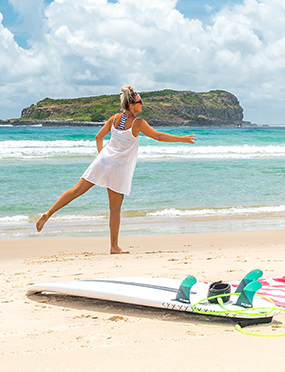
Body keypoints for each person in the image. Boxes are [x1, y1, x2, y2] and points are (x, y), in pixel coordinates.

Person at [36, 85, 196, 253]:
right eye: (140, 102)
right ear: (132, 105)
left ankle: (48, 213)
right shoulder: (138, 123)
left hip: (103, 161)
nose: (142, 104)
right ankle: (114, 246)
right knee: (114, 210)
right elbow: (158, 136)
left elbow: (99, 137)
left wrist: (101, 156)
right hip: (118, 168)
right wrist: (181, 139)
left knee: (76, 191)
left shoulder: (114, 119)